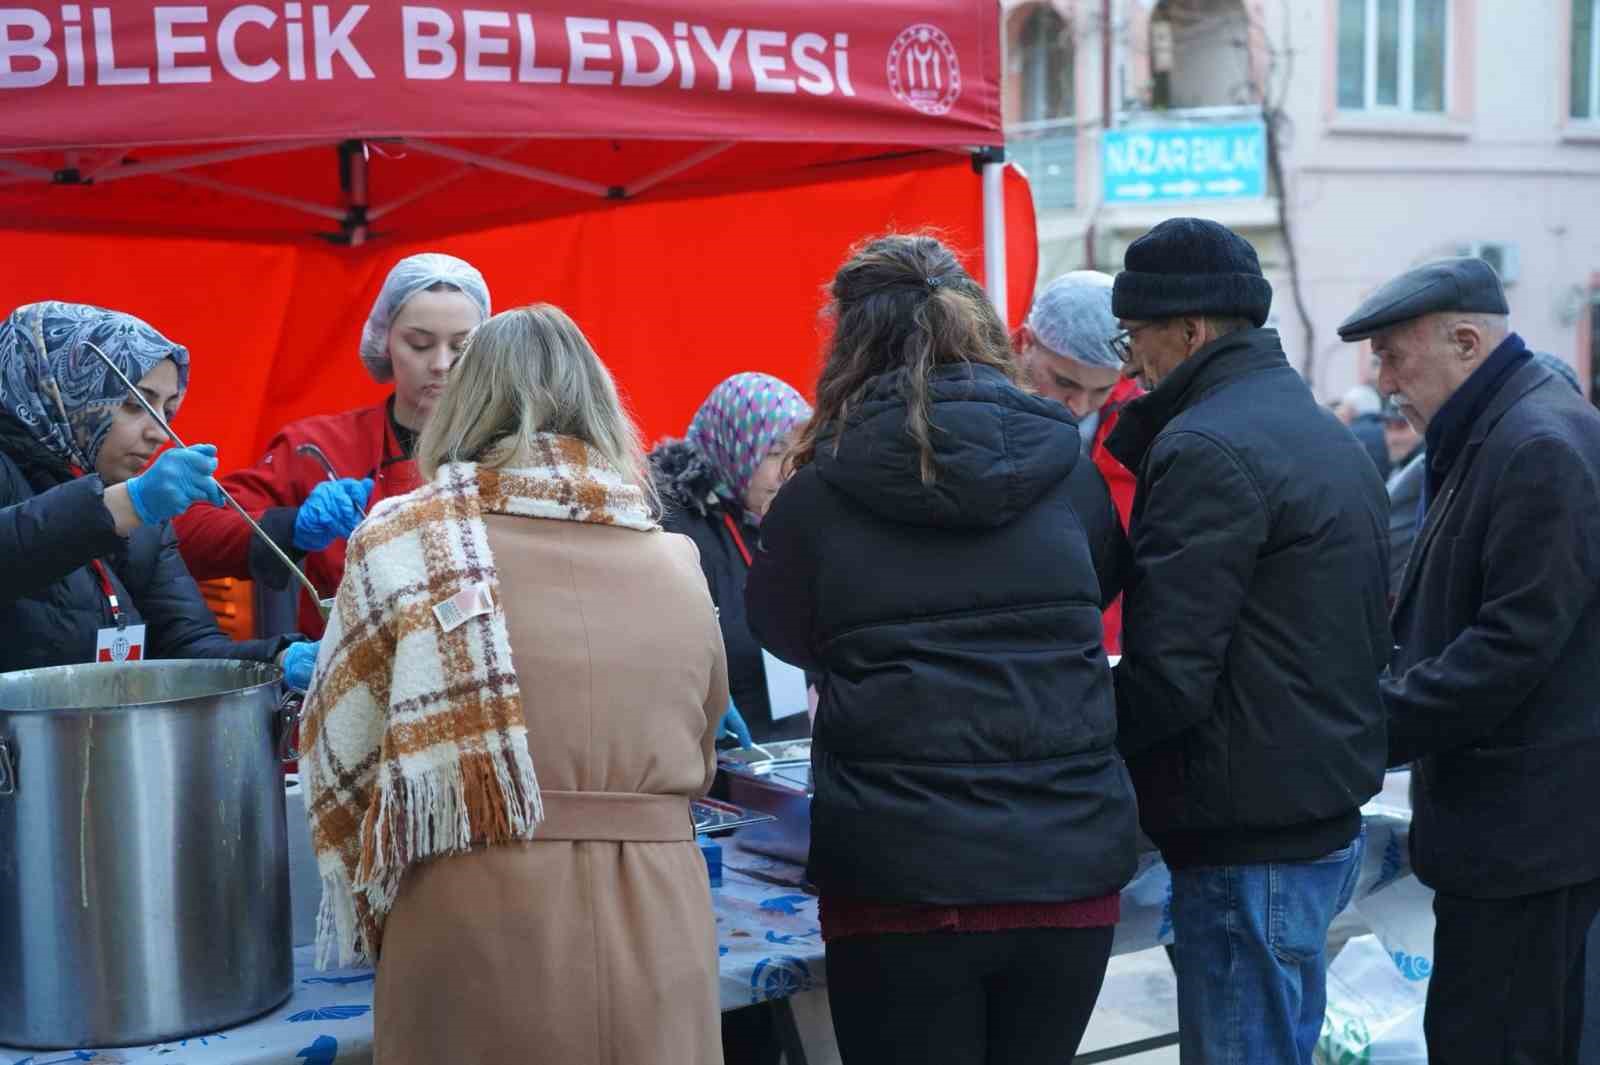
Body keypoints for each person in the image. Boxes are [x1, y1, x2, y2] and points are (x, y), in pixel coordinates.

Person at [745, 234, 1138, 1065]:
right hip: (1064, 864)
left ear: (850, 345)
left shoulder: (820, 491)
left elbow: (780, 630)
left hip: (903, 878)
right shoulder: (1067, 472)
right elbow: (1098, 589)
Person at [301, 304, 727, 1065]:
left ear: (466, 404)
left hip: (470, 917)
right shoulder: (676, 560)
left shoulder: (401, 540)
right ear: (600, 406)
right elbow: (703, 749)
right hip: (661, 920)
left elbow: (344, 762)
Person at [1104, 218, 1389, 1065]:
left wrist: (1069, 741)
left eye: (1136, 335)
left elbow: (1168, 673)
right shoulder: (1319, 431)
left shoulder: (1206, 447)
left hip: (1246, 841)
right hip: (1313, 820)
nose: (1130, 362)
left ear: (1190, 332)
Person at [1340, 257, 1600, 1065]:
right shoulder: (1502, 426)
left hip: (1525, 834)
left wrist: (1366, 728)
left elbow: (1510, 646)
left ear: (1465, 341)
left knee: (1496, 1041)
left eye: (1393, 355)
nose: (1384, 382)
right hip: (1512, 830)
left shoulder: (1536, 441)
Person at [176, 253, 491, 639]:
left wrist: (442, 617)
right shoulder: (318, 448)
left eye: (461, 346)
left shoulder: (509, 454)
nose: (442, 363)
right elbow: (187, 533)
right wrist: (292, 526)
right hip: (342, 664)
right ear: (384, 342)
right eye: (420, 344)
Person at [0, 302, 313, 680]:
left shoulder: (143, 516)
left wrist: (276, 660)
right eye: (135, 405)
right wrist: (126, 505)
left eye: (168, 410)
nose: (160, 432)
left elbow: (186, 647)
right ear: (62, 391)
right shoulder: (128, 500)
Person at [650, 373, 812, 744]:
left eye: (798, 454)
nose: (788, 471)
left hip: (786, 748)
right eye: (774, 452)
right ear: (734, 445)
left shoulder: (787, 518)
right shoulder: (676, 527)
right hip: (710, 752)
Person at [1014, 270, 1142, 652]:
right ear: (1025, 342)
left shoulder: (1143, 428)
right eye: (1064, 382)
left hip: (1105, 646)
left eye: (1101, 389)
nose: (1080, 405)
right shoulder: (981, 413)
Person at [1383, 400, 1426, 595]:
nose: (1393, 438)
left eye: (1401, 427)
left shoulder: (1423, 466)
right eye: (1388, 427)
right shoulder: (1400, 466)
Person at [1337, 383, 1393, 479]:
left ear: (1352, 409)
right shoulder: (1388, 429)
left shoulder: (1350, 435)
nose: (1339, 411)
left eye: (1343, 406)